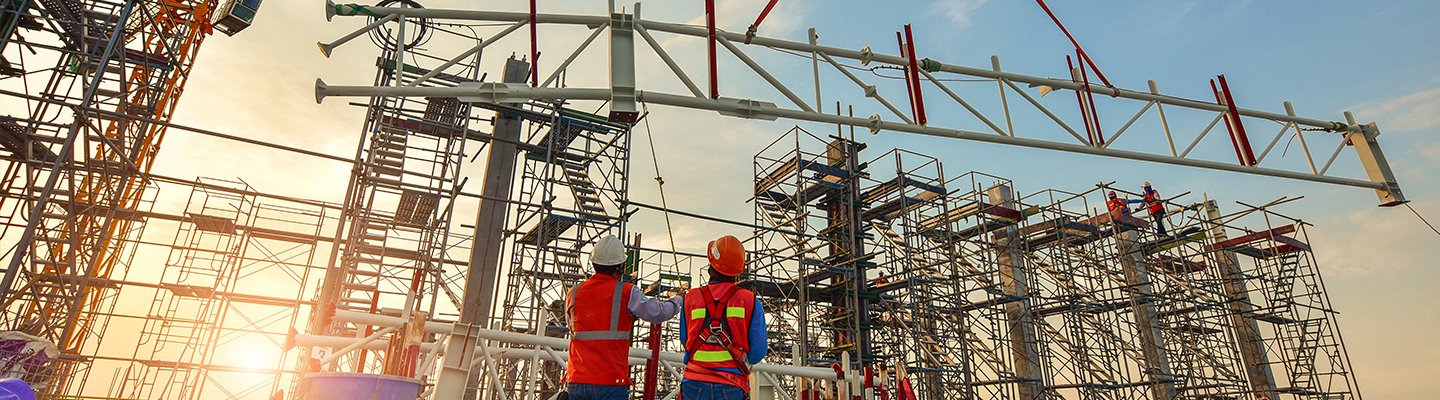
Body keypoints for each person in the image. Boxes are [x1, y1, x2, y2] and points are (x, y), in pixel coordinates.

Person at [564, 235, 685, 400]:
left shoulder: (574, 292)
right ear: (620, 266)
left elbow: (572, 327)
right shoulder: (626, 291)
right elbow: (659, 313)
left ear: (593, 263)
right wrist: (678, 299)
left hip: (576, 380)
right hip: (610, 382)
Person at [679, 235, 767, 400]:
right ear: (740, 270)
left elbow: (685, 340)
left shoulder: (690, 298)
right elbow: (758, 351)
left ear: (710, 266)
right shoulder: (750, 301)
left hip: (693, 384)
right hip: (731, 386)